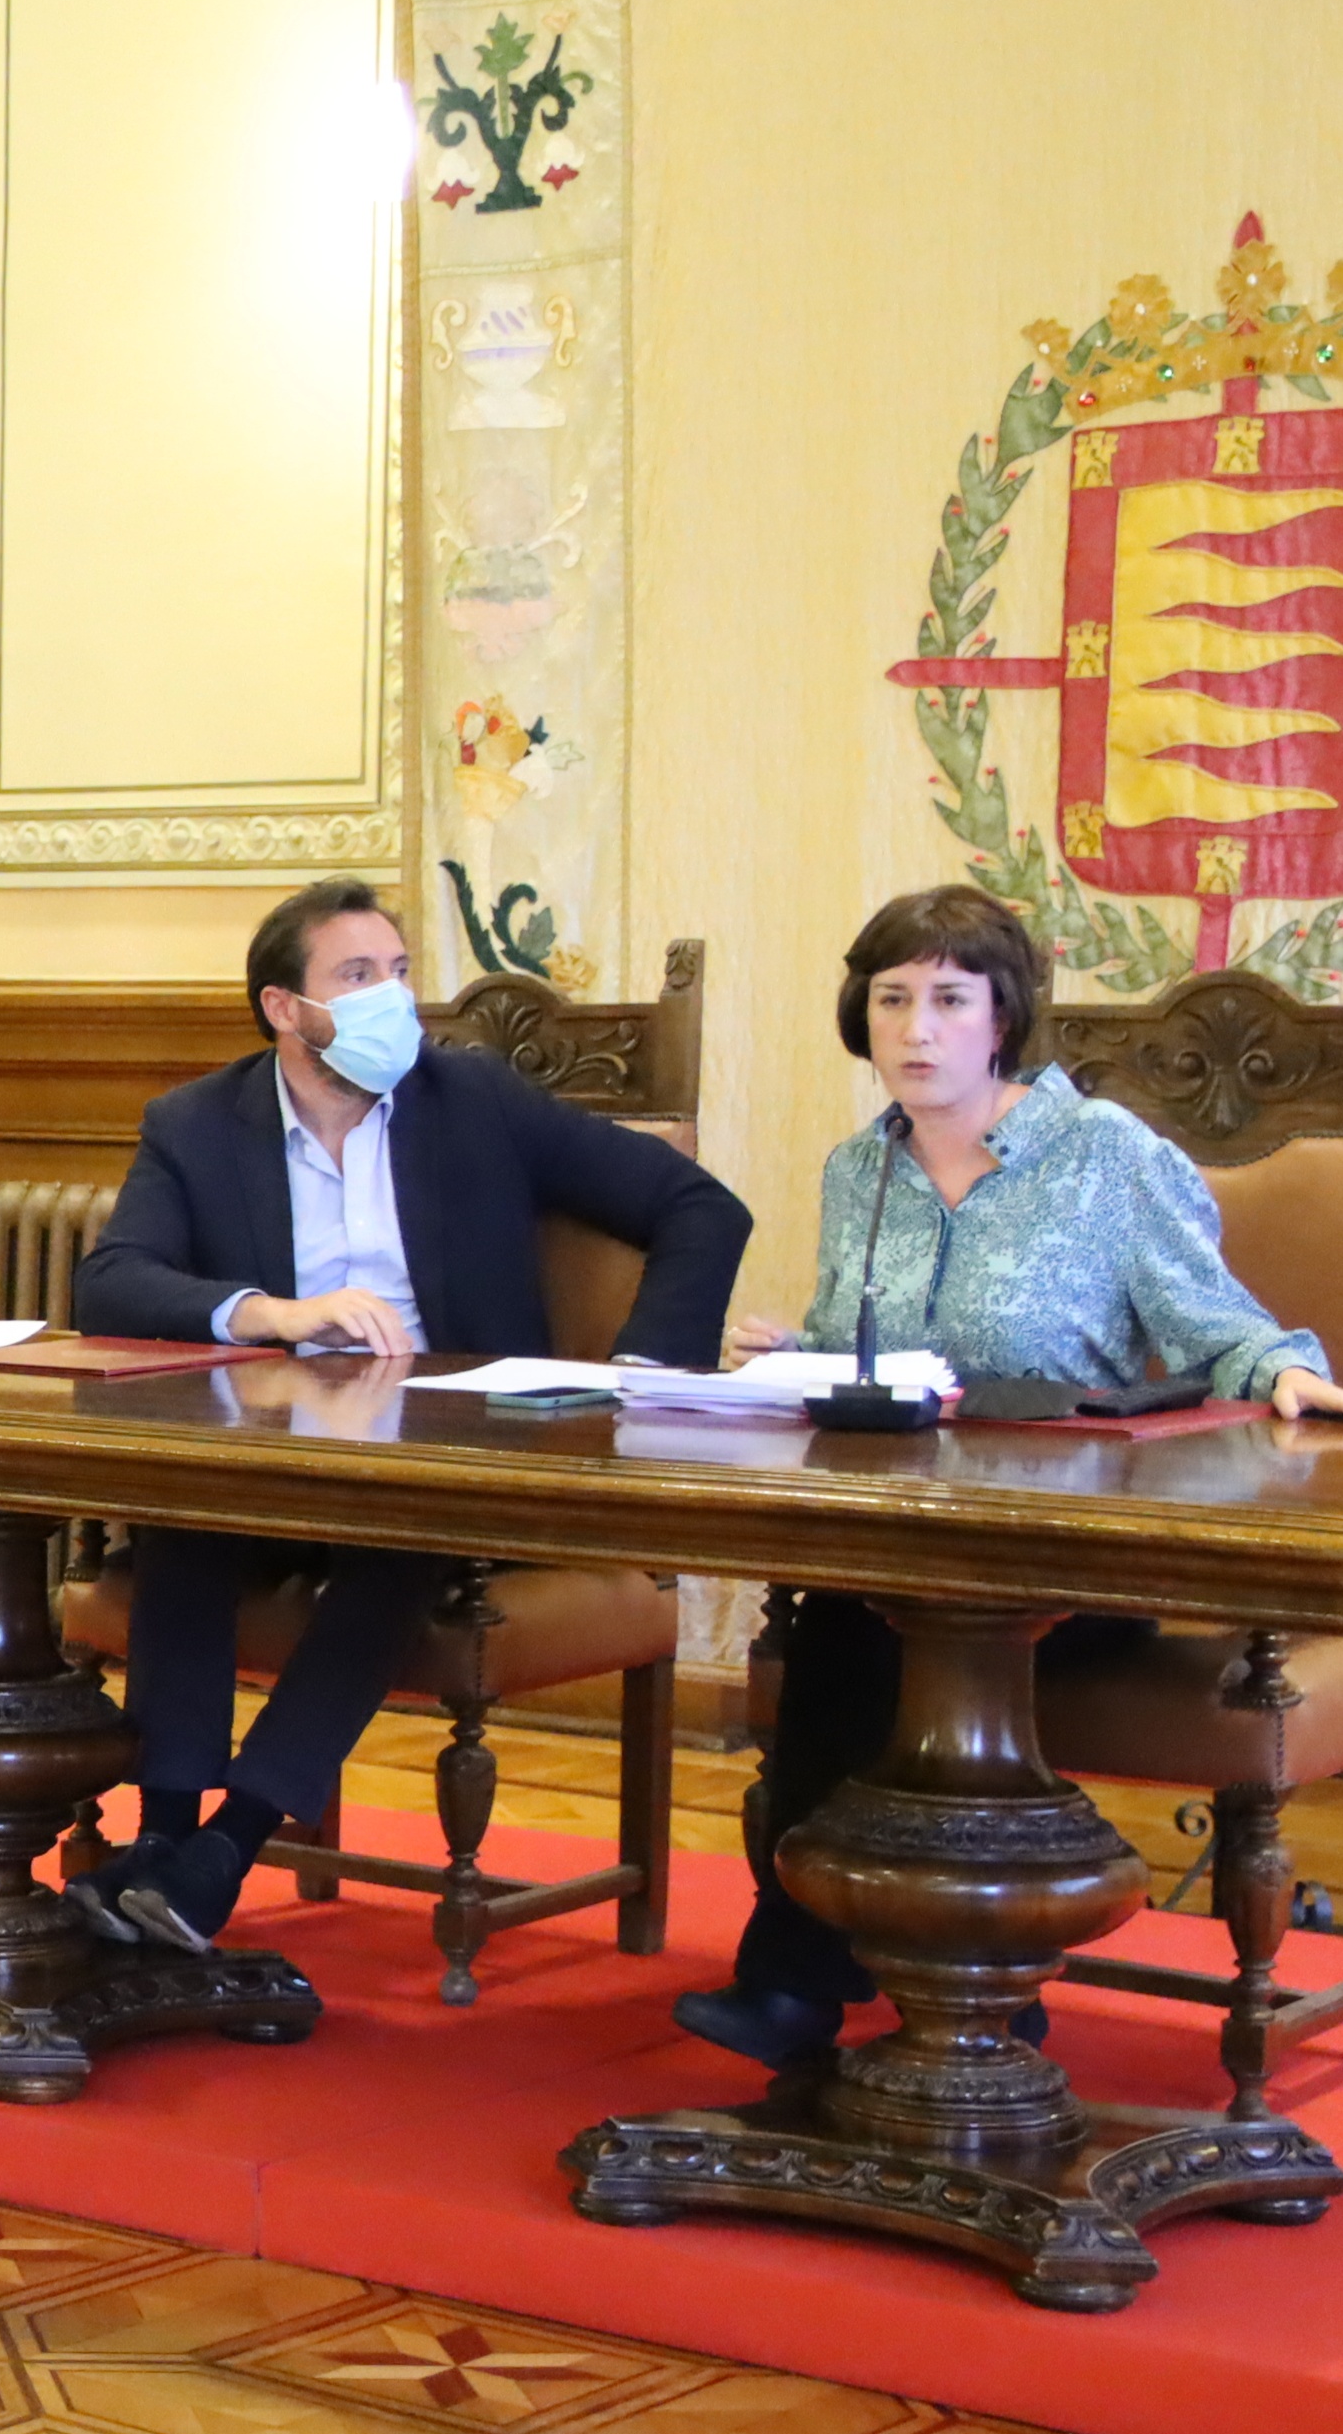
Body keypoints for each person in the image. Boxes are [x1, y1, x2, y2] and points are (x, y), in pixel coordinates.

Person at [675, 882, 1343, 2067]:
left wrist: (1285, 1368)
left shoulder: (1103, 1155)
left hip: (1067, 1549)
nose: (915, 1029)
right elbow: (868, 1347)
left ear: (1002, 1016)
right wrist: (797, 1351)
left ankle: (948, 1980)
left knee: (895, 1644)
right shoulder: (858, 1167)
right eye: (891, 999)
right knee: (843, 1627)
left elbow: (1217, 1326)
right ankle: (825, 1981)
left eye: (948, 999)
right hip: (902, 1537)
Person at [68, 879, 752, 1951]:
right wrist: (274, 1313)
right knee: (182, 1518)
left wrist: (634, 1379)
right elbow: (110, 1283)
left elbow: (699, 1207)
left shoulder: (473, 1100)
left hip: (457, 1458)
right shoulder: (197, 1123)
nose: (391, 998)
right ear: (282, 1007)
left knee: (399, 1543)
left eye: (398, 972)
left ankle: (226, 1846)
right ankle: (163, 1838)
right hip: (275, 1458)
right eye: (356, 975)